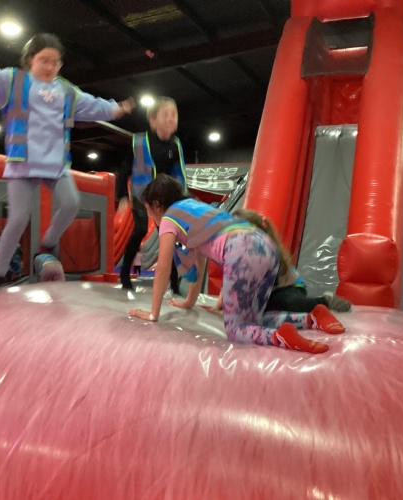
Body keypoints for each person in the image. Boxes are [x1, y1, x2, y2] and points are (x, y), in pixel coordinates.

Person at [0, 20, 134, 291]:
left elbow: (91, 105)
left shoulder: (65, 90)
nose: (49, 67)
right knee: (18, 218)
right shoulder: (14, 81)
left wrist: (114, 109)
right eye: (44, 60)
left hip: (55, 164)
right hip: (23, 162)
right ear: (30, 60)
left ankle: (48, 241)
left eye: (55, 62)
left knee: (71, 203)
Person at [129, 174, 346, 355]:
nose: (149, 215)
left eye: (148, 209)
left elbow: (163, 267)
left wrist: (153, 314)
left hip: (241, 249)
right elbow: (200, 263)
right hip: (266, 246)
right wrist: (189, 302)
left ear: (156, 205)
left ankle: (279, 337)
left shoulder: (169, 218)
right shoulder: (195, 209)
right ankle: (312, 317)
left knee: (236, 331)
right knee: (255, 318)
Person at [213, 208, 352, 313]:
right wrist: (220, 304)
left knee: (283, 303)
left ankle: (324, 301)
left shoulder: (265, 252)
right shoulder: (235, 253)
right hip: (266, 291)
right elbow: (229, 280)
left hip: (288, 288)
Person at [116, 97, 186, 292]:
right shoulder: (139, 141)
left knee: (168, 235)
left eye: (174, 115)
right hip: (141, 194)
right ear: (153, 121)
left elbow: (179, 173)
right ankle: (124, 274)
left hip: (162, 197)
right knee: (139, 230)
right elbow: (124, 168)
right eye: (166, 115)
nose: (171, 118)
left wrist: (183, 199)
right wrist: (121, 195)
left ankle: (174, 283)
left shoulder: (175, 145)